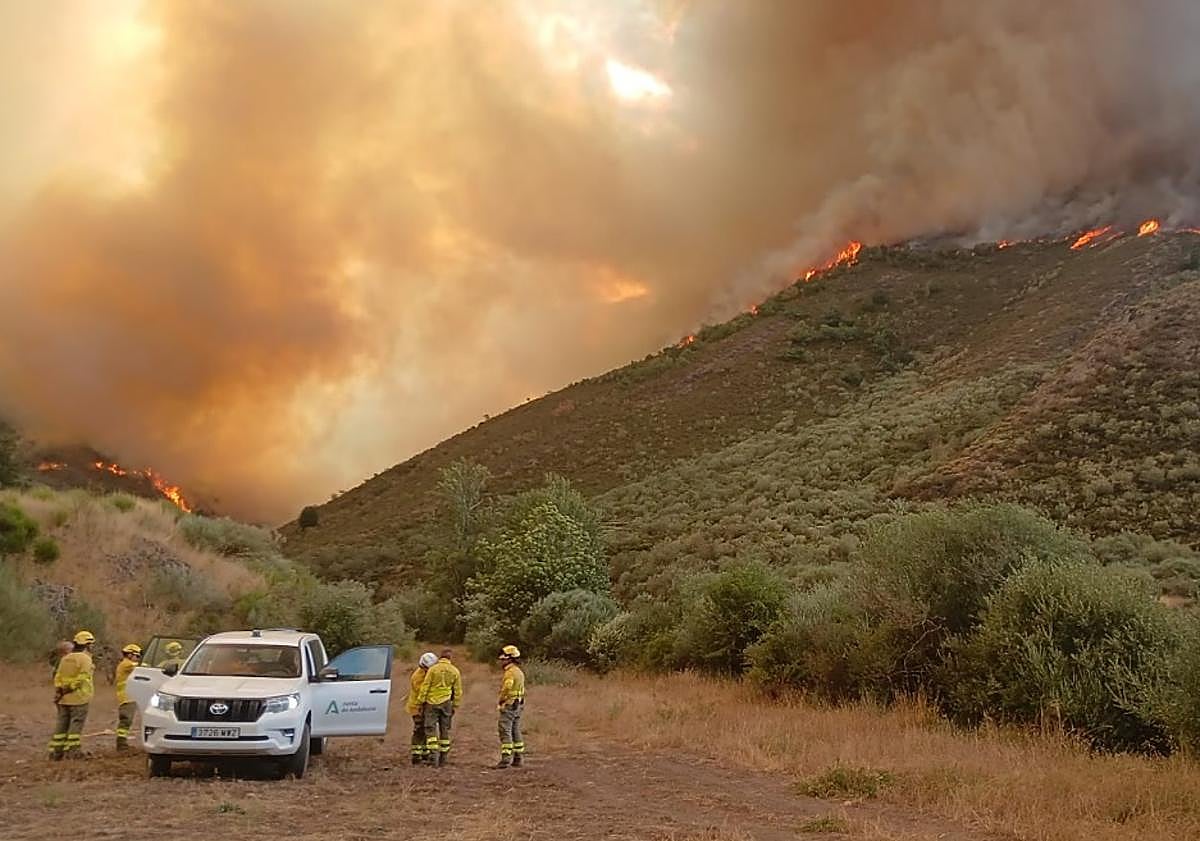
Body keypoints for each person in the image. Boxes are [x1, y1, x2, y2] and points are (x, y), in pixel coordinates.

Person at [49, 630, 96, 760]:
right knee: (76, 726)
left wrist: (60, 690)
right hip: (79, 699)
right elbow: (82, 678)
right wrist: (70, 688)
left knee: (61, 725)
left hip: (63, 699)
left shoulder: (65, 658)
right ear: (88, 645)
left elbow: (58, 676)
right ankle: (74, 752)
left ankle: (56, 752)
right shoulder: (85, 659)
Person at [416, 649, 463, 766]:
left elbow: (425, 687)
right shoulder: (455, 671)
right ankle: (443, 759)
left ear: (440, 657)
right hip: (446, 703)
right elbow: (458, 691)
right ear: (450, 658)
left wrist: (420, 702)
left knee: (430, 729)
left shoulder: (433, 670)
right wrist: (455, 705)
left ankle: (433, 757)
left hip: (431, 703)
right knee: (444, 730)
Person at [495, 644, 526, 769]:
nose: (501, 662)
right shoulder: (519, 672)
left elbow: (507, 687)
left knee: (505, 731)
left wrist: (501, 700)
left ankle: (505, 759)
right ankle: (518, 758)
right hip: (518, 705)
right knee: (515, 731)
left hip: (509, 704)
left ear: (509, 659)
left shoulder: (510, 673)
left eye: (503, 659)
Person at [407, 652, 438, 765]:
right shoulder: (418, 676)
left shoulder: (428, 673)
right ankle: (416, 755)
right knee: (418, 730)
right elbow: (423, 692)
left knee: (426, 729)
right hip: (417, 707)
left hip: (426, 706)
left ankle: (425, 753)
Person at [114, 644, 142, 751]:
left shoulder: (125, 664)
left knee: (127, 721)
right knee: (126, 720)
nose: (137, 658)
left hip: (128, 697)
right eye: (137, 656)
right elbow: (140, 668)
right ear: (130, 655)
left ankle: (122, 742)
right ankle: (121, 743)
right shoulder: (127, 664)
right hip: (127, 697)